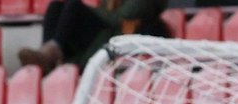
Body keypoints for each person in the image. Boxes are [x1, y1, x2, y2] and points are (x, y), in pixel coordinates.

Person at [20, 0, 168, 74]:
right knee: (56, 7)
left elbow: (122, 16)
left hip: (120, 38)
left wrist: (93, 11)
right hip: (104, 33)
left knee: (74, 6)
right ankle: (47, 54)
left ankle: (50, 53)